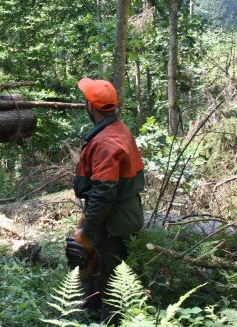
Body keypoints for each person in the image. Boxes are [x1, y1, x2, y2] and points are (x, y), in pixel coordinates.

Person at [66, 77, 145, 319]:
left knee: (110, 278)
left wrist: (88, 233)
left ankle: (109, 319)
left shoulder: (105, 143)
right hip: (120, 215)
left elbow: (103, 194)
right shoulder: (117, 129)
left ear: (90, 106)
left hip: (112, 222)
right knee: (91, 263)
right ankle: (91, 308)